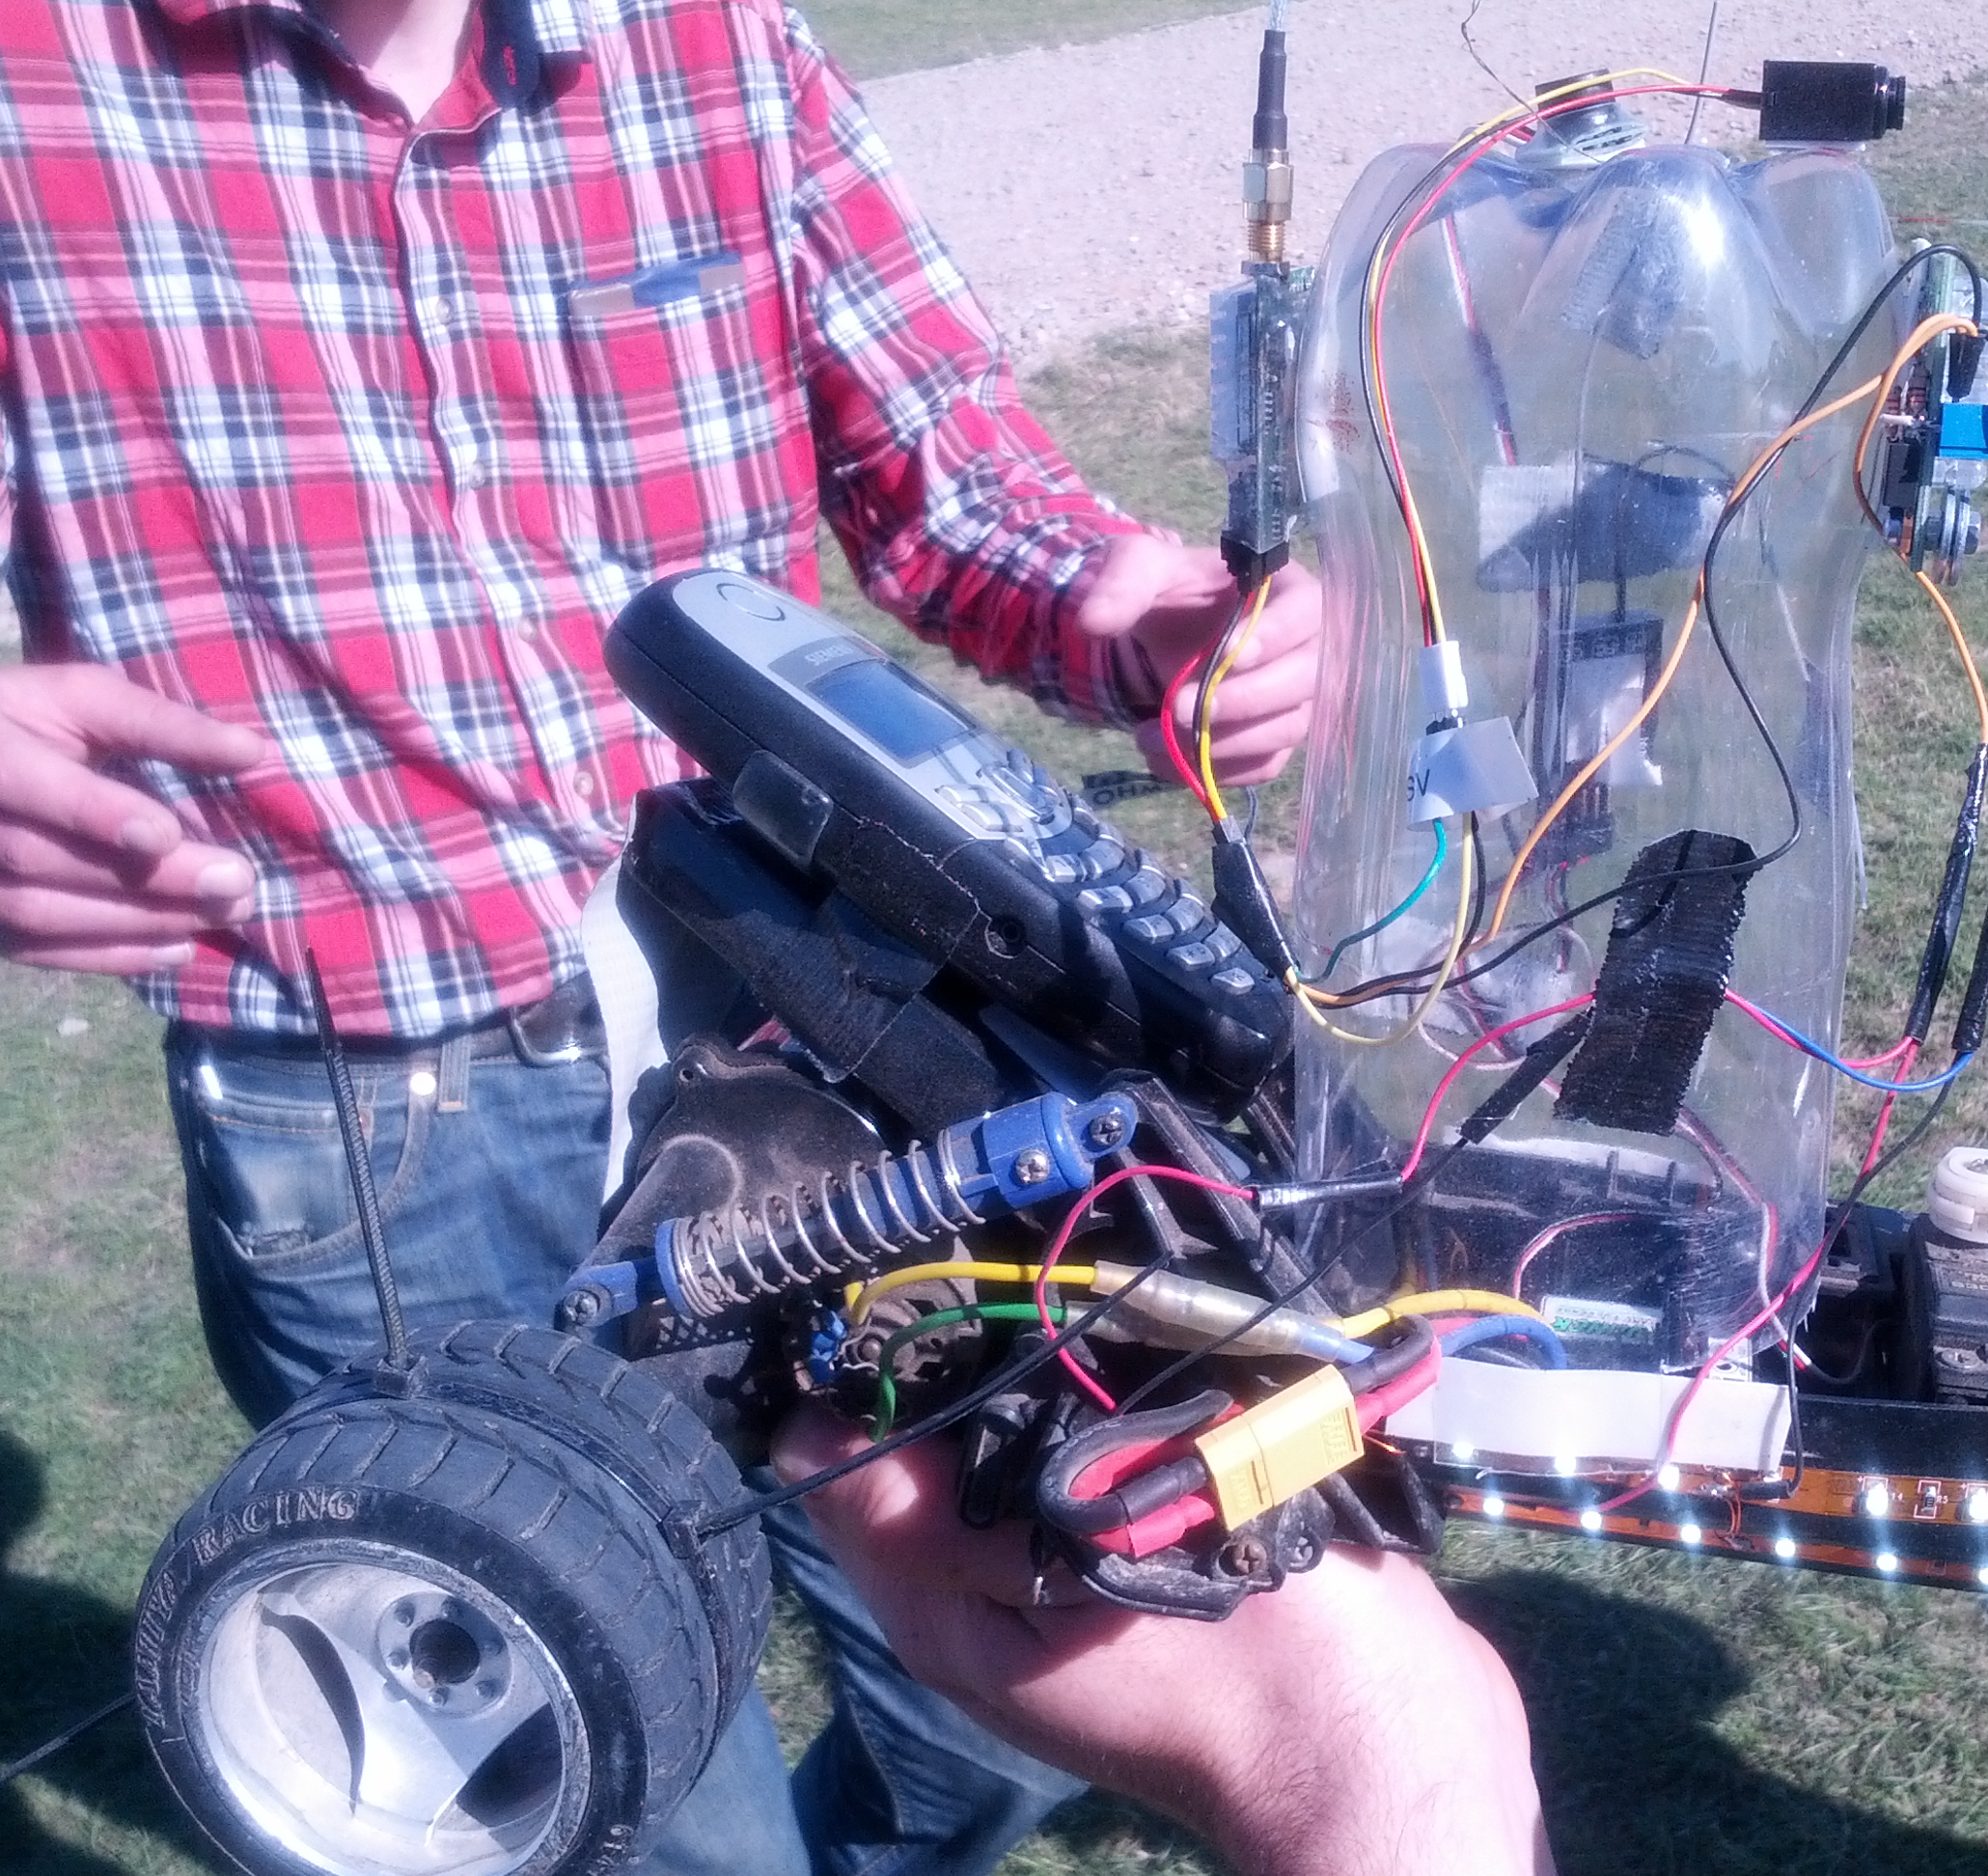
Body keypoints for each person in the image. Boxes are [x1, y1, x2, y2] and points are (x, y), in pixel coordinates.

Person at [0, 0, 1550, 1870]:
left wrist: (1124, 601)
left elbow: (954, 480)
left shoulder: (709, 36)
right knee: (640, 1793)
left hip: (791, 1039)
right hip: (381, 1095)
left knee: (1022, 1693)